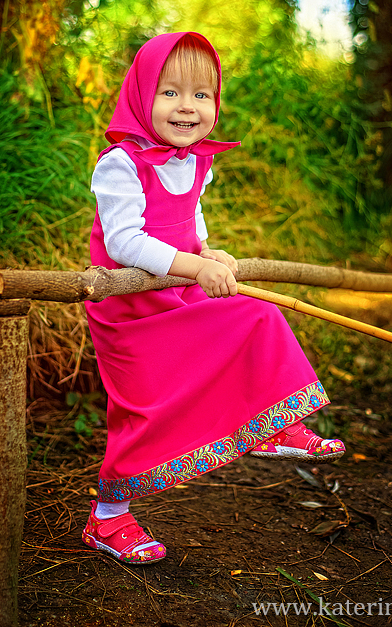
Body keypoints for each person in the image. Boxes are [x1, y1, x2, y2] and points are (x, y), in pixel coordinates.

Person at [82, 32, 345, 565]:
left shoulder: (197, 162)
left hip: (176, 294)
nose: (188, 107)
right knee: (145, 408)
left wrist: (207, 249)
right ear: (140, 96)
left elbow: (190, 217)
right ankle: (108, 518)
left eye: (202, 95)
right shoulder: (121, 163)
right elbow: (125, 241)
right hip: (130, 311)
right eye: (170, 93)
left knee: (256, 316)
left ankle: (274, 423)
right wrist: (197, 266)